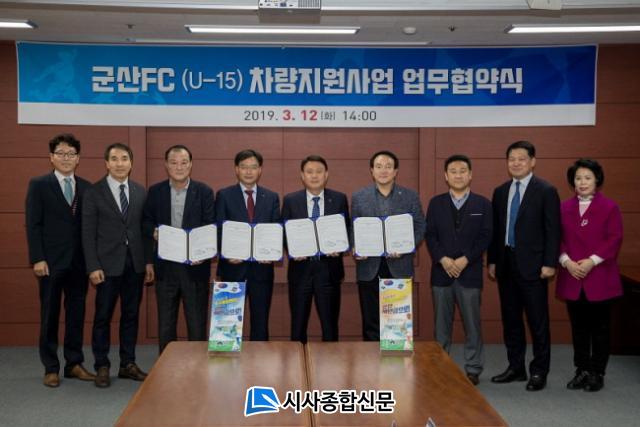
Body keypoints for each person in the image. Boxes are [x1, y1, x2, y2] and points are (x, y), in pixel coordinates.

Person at [488, 140, 561, 391]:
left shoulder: (546, 190)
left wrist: (550, 263)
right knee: (511, 321)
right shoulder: (500, 191)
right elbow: (496, 230)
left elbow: (553, 230)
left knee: (537, 322)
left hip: (534, 266)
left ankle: (539, 371)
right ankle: (516, 367)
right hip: (506, 264)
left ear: (532, 161)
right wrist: (493, 260)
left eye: (521, 158)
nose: (516, 163)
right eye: (512, 159)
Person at [25, 133, 95, 388]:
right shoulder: (39, 185)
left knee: (76, 314)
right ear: (51, 157)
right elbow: (33, 224)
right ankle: (51, 367)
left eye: (71, 154)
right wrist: (38, 258)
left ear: (78, 158)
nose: (66, 158)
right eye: (61, 153)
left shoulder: (87, 187)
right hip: (50, 263)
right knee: (50, 315)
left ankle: (74, 363)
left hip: (79, 262)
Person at [82, 143, 154, 388]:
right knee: (102, 316)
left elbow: (145, 231)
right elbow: (87, 233)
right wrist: (92, 266)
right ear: (107, 163)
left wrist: (148, 261)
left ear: (131, 163)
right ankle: (102, 365)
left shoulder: (140, 191)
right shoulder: (94, 192)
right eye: (114, 158)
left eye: (124, 158)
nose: (119, 163)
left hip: (135, 264)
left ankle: (127, 364)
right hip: (106, 266)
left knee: (130, 315)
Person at [425, 154, 492, 386]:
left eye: (463, 171)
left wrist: (466, 259)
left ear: (470, 175)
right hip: (441, 273)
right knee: (441, 326)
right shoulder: (436, 203)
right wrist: (442, 258)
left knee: (472, 325)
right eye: (453, 171)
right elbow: (430, 234)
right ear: (446, 176)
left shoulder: (483, 204)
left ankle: (473, 368)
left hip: (469, 273)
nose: (458, 175)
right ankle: (440, 367)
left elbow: (486, 236)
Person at [557, 159, 623, 392]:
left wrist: (592, 261)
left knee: (601, 328)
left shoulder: (610, 207)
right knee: (579, 328)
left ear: (597, 180)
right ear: (572, 182)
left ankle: (597, 372)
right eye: (578, 178)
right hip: (572, 275)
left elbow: (614, 238)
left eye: (587, 178)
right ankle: (582, 370)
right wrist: (566, 261)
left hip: (599, 276)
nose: (582, 182)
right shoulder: (563, 207)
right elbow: (555, 238)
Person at [143, 145, 215, 353]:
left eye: (184, 162)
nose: (179, 167)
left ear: (191, 165)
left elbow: (210, 225)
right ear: (166, 165)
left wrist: (203, 252)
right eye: (173, 163)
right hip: (165, 268)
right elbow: (146, 221)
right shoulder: (155, 191)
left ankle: (198, 366)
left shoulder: (204, 192)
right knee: (166, 324)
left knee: (197, 324)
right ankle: (166, 366)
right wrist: (153, 231)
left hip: (195, 268)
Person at [351, 150, 425, 341]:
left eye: (388, 166)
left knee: (396, 325)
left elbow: (420, 226)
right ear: (372, 170)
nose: (383, 170)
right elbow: (353, 228)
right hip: (369, 266)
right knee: (370, 322)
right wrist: (355, 247)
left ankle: (395, 360)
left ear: (395, 171)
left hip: (399, 265)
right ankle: (371, 358)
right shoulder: (359, 197)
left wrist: (407, 246)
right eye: (378, 166)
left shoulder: (409, 196)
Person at [282, 155, 349, 343]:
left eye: (319, 171)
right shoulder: (290, 200)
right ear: (302, 175)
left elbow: (347, 228)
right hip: (300, 270)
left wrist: (340, 247)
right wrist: (293, 249)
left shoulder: (339, 199)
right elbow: (284, 232)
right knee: (298, 328)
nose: (314, 176)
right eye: (309, 172)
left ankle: (331, 362)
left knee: (330, 328)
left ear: (326, 174)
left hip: (329, 270)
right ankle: (297, 361)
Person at [215, 149, 280, 341]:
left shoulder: (271, 197)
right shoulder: (224, 195)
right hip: (232, 268)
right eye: (244, 167)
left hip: (262, 270)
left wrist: (272, 253)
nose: (249, 171)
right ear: (236, 169)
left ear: (260, 170)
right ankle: (225, 360)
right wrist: (226, 253)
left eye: (253, 167)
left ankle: (259, 359)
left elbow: (276, 230)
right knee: (226, 326)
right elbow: (218, 229)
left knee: (260, 323)